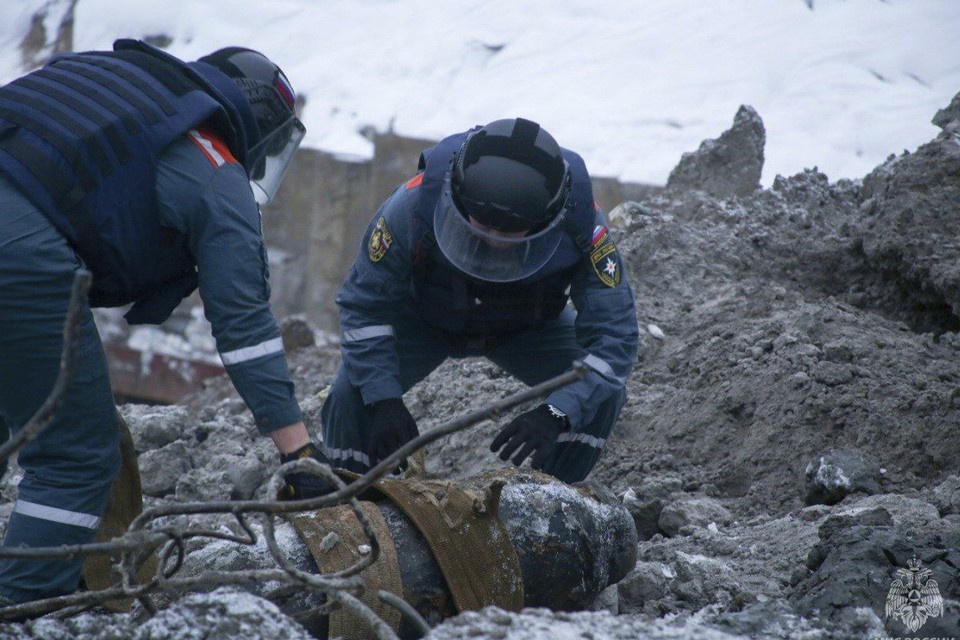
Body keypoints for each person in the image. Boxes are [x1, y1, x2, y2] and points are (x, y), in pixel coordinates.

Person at [0, 39, 332, 606]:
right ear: (259, 129)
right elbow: (245, 324)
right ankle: (18, 610)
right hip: (18, 252)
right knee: (75, 458)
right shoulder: (214, 165)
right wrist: (298, 455)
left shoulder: (116, 80)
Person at [321, 117, 639, 484]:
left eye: (508, 234)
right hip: (422, 320)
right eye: (479, 227)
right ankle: (351, 500)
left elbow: (615, 336)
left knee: (602, 395)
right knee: (350, 394)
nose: (491, 241)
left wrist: (557, 413)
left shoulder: (583, 226)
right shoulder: (412, 205)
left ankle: (555, 499)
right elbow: (364, 303)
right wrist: (383, 400)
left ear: (546, 220)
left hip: (528, 329)